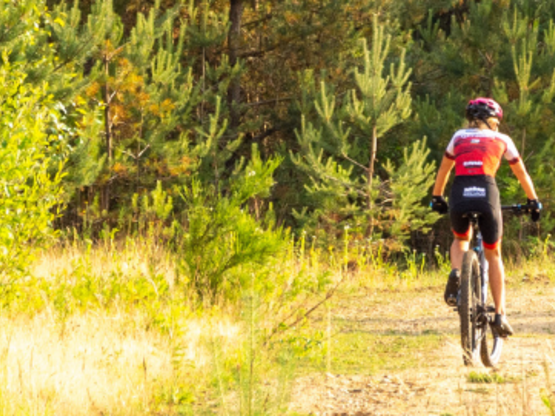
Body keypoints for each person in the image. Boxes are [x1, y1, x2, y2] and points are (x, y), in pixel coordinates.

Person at [430, 97, 541, 337]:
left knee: (461, 239)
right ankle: (500, 314)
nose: (498, 126)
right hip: (486, 192)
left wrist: (437, 197)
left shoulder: (458, 137)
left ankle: (457, 272)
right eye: (496, 122)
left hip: (459, 192)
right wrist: (533, 201)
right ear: (488, 120)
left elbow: (444, 169)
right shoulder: (502, 139)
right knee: (493, 253)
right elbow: (520, 172)